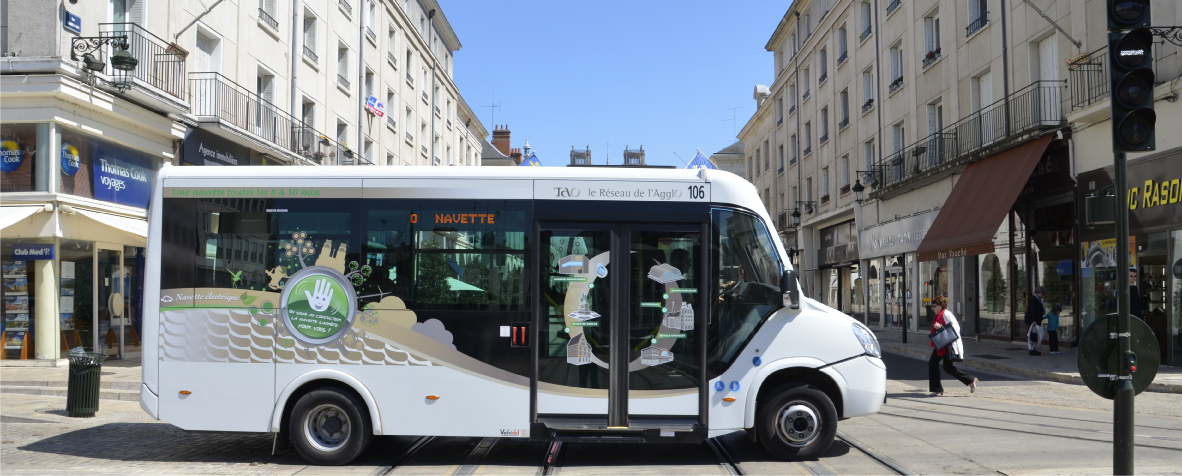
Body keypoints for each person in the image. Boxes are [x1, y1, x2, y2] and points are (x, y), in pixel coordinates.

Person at [928, 295, 978, 396]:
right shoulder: (937, 316)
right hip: (941, 345)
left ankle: (971, 380)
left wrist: (941, 327)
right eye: (932, 306)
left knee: (948, 368)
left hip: (948, 346)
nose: (932, 308)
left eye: (934, 306)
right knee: (932, 363)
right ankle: (937, 389)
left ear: (940, 305)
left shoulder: (946, 314)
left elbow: (955, 329)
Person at [1025, 286, 1047, 356]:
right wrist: (1034, 320)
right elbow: (1032, 310)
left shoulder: (1037, 299)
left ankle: (1033, 349)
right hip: (1033, 320)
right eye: (1042, 293)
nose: (1043, 295)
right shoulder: (1034, 299)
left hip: (1036, 319)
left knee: (1035, 334)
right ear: (1039, 292)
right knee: (1033, 334)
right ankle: (1031, 349)